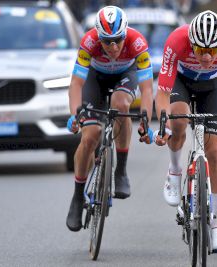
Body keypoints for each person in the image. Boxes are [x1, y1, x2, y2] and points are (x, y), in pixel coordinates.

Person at [154, 10, 217, 252]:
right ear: (191, 43)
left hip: (213, 86)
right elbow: (163, 92)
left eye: (212, 51)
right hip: (182, 82)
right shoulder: (177, 40)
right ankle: (175, 171)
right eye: (199, 51)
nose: (207, 56)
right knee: (177, 123)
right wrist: (164, 125)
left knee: (216, 151)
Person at [66, 6, 154, 232]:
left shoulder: (137, 43)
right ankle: (77, 197)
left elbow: (146, 90)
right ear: (98, 37)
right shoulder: (88, 42)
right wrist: (75, 112)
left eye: (118, 40)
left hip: (125, 76)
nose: (113, 47)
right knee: (90, 136)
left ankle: (121, 170)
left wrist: (145, 121)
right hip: (96, 79)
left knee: (122, 104)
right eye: (107, 42)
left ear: (125, 34)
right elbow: (76, 83)